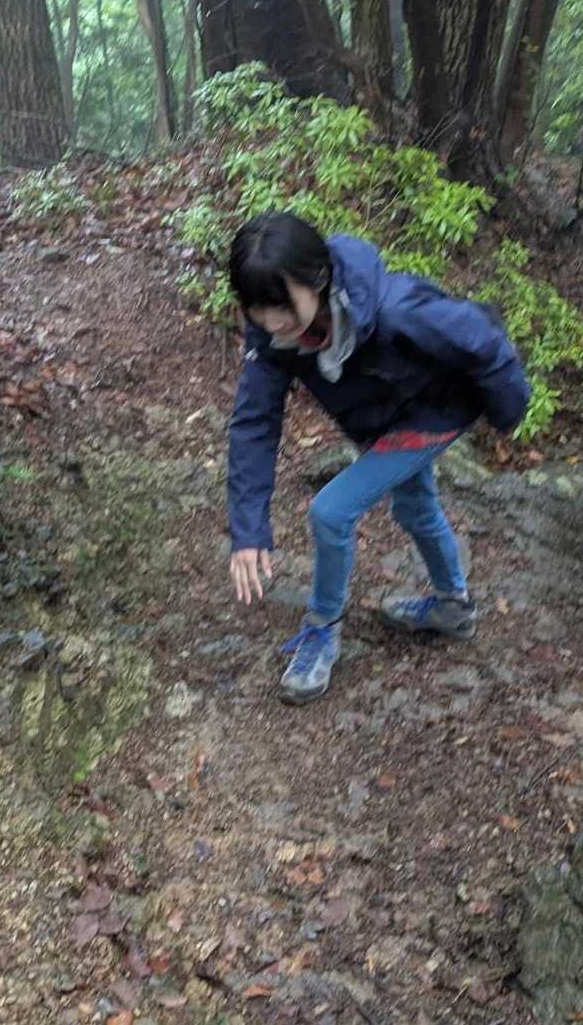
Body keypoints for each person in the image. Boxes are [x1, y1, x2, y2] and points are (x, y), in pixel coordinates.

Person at [226, 211, 530, 703]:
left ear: (318, 278)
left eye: (281, 305)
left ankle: (323, 626)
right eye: (257, 308)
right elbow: (254, 422)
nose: (272, 321)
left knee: (331, 511)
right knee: (414, 507)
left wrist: (507, 413)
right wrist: (248, 529)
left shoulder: (395, 307)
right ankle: (453, 607)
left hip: (434, 412)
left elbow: (483, 339)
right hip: (379, 420)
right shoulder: (273, 335)